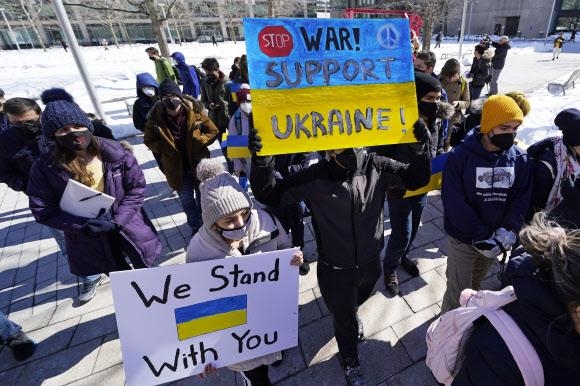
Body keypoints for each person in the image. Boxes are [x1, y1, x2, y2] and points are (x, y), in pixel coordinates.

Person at [250, 116, 432, 385]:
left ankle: (351, 314)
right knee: (343, 319)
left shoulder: (377, 165)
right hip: (335, 269)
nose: (347, 149)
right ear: (326, 147)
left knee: (356, 304)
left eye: (353, 143)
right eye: (338, 146)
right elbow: (270, 194)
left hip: (371, 263)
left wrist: (420, 148)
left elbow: (417, 178)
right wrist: (262, 160)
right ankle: (350, 360)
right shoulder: (316, 175)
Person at [28, 91, 161, 304]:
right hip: (90, 235)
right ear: (53, 135)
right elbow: (42, 210)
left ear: (87, 125)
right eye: (63, 130)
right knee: (121, 279)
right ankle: (138, 309)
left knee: (149, 270)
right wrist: (81, 226)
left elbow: (136, 188)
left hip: (128, 224)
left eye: (77, 126)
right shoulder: (45, 168)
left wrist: (118, 220)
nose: (73, 133)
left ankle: (160, 302)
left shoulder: (115, 153)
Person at [187, 158, 303, 385]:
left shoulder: (265, 221)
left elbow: (283, 247)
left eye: (244, 213)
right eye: (229, 220)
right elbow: (196, 308)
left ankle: (274, 354)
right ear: (213, 222)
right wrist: (203, 353)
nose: (240, 223)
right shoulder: (198, 251)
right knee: (258, 377)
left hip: (271, 316)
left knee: (274, 353)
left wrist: (293, 260)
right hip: (237, 334)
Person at [451, 212, 580, 385]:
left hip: (494, 237)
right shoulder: (497, 355)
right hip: (470, 237)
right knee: (458, 286)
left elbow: (521, 193)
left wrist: (505, 228)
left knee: (477, 274)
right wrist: (482, 233)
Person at [440, 95, 532, 313]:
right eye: (504, 127)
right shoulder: (459, 157)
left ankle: (470, 317)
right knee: (457, 292)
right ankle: (446, 334)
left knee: (475, 284)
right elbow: (454, 202)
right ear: (488, 125)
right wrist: (481, 233)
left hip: (497, 239)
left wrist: (508, 230)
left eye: (515, 128)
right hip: (464, 240)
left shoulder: (519, 159)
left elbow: (521, 197)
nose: (510, 134)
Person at [369, 72, 452, 296]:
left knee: (414, 228)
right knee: (402, 232)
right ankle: (390, 269)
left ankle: (403, 257)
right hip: (400, 189)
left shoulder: (433, 121)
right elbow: (380, 159)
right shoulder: (391, 122)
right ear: (413, 98)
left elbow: (433, 152)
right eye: (429, 99)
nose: (435, 104)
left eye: (437, 98)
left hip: (423, 187)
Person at [144, 79, 219, 234]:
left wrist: (200, 141)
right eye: (166, 97)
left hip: (198, 164)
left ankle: (208, 224)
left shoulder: (195, 112)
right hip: (176, 168)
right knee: (186, 200)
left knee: (203, 197)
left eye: (173, 95)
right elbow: (148, 140)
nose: (171, 100)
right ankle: (195, 226)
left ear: (180, 97)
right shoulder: (155, 118)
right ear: (161, 99)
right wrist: (163, 147)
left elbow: (213, 130)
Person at [527, 108, 580, 217]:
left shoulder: (576, 155)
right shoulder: (547, 164)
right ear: (572, 144)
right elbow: (536, 204)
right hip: (549, 221)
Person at [439, 59, 470, 150]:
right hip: (438, 117)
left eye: (453, 76)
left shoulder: (463, 82)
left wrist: (458, 103)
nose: (450, 79)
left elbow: (467, 102)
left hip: (453, 119)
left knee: (447, 142)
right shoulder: (438, 79)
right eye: (448, 77)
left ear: (458, 73)